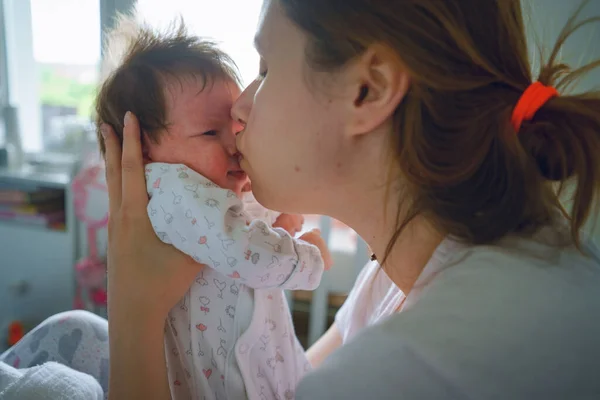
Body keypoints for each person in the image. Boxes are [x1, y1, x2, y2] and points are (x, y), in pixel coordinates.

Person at [101, 0, 600, 398]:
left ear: (369, 89)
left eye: (267, 68)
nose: (241, 107)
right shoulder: (403, 277)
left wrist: (133, 312)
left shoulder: (403, 373)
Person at [95, 17, 331, 400]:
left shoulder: (210, 188)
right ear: (142, 149)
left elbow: (240, 227)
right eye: (209, 132)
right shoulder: (169, 187)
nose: (234, 143)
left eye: (234, 128)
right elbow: (244, 251)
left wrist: (280, 226)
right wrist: (308, 259)